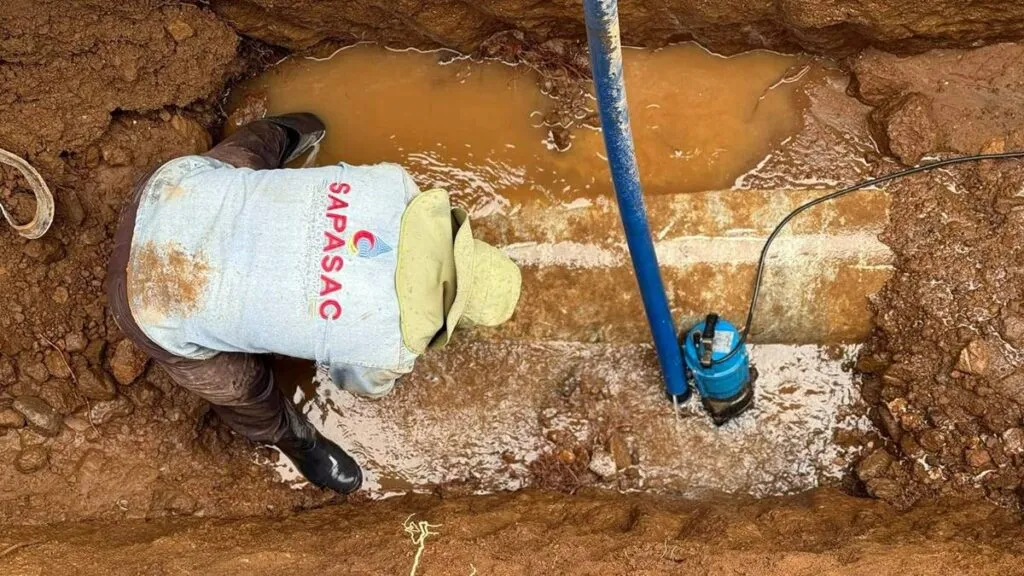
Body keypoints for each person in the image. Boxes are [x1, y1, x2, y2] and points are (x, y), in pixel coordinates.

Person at [106, 113, 522, 494]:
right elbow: (356, 386)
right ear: (453, 318)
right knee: (244, 390)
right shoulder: (390, 347)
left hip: (167, 191)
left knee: (248, 163)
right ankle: (297, 440)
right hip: (146, 302)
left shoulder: (396, 184)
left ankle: (294, 129)